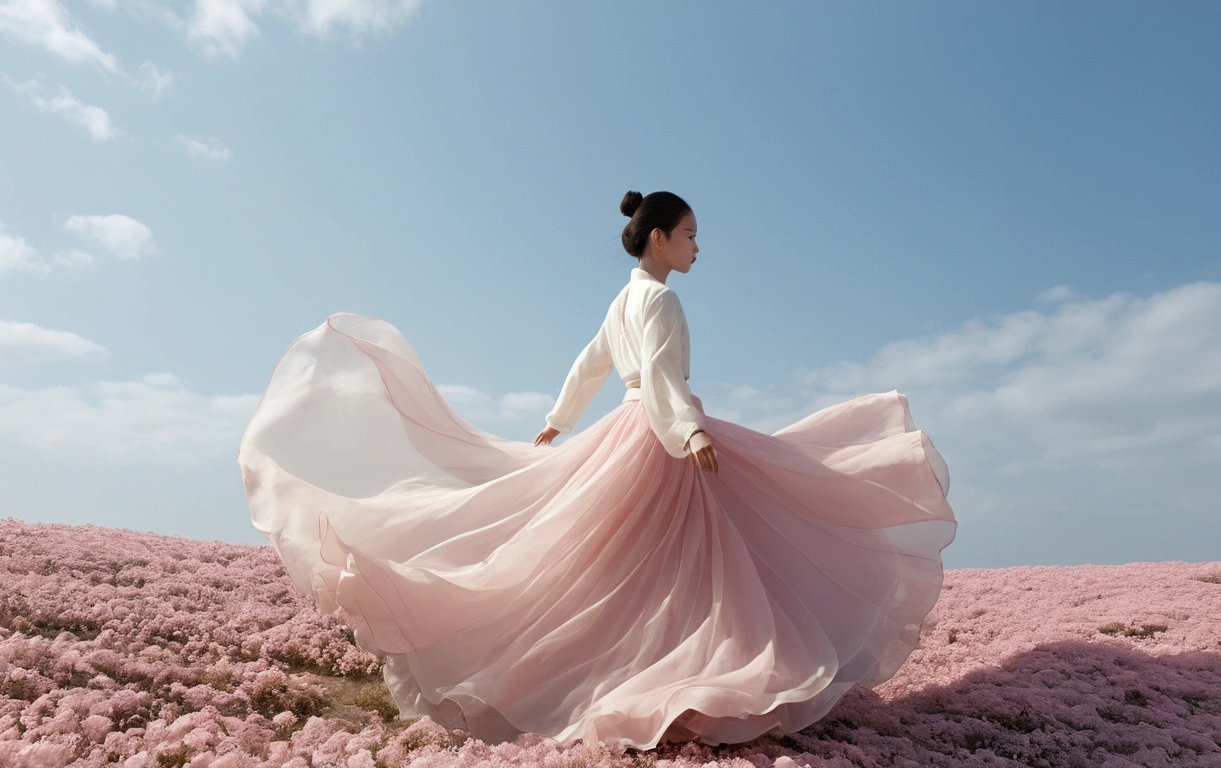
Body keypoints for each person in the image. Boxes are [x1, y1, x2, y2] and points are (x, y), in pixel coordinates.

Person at [236, 189, 956, 751]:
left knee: (633, 569)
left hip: (629, 429)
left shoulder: (622, 299)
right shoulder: (663, 301)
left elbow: (593, 362)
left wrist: (562, 416)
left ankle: (660, 682)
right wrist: (690, 433)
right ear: (659, 238)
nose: (699, 247)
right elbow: (665, 381)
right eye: (692, 235)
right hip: (661, 437)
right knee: (689, 568)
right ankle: (688, 686)